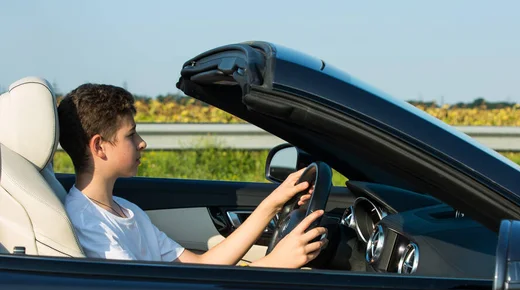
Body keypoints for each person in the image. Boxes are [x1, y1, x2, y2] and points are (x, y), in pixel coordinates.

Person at [57, 83, 328, 268]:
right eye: (130, 135)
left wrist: (272, 204)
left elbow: (202, 266)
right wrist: (273, 264)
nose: (142, 143)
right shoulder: (89, 224)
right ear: (99, 146)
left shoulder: (127, 211)